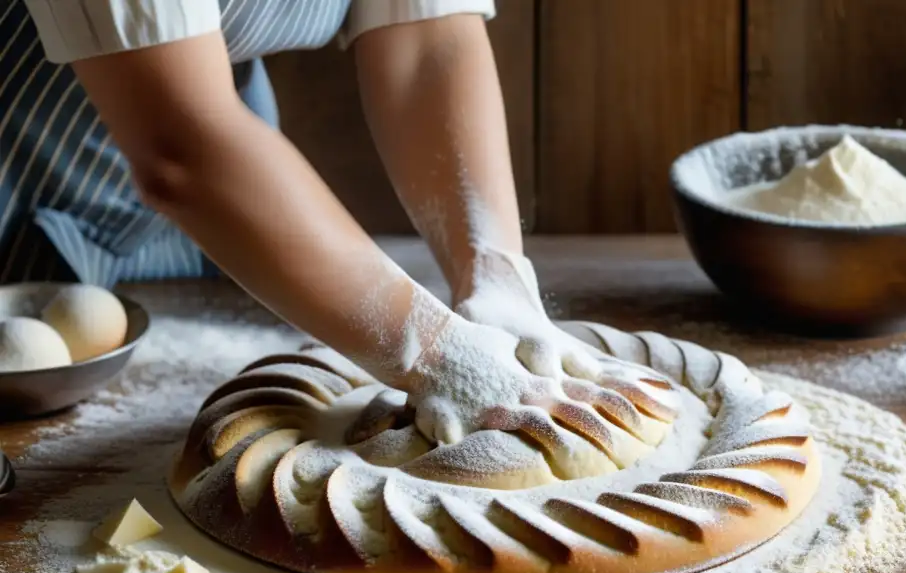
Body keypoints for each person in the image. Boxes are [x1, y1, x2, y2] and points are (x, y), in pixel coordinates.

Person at [5, 1, 672, 445]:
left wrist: (494, 270)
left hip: (235, 209)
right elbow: (180, 148)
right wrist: (434, 351)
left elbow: (424, 38)